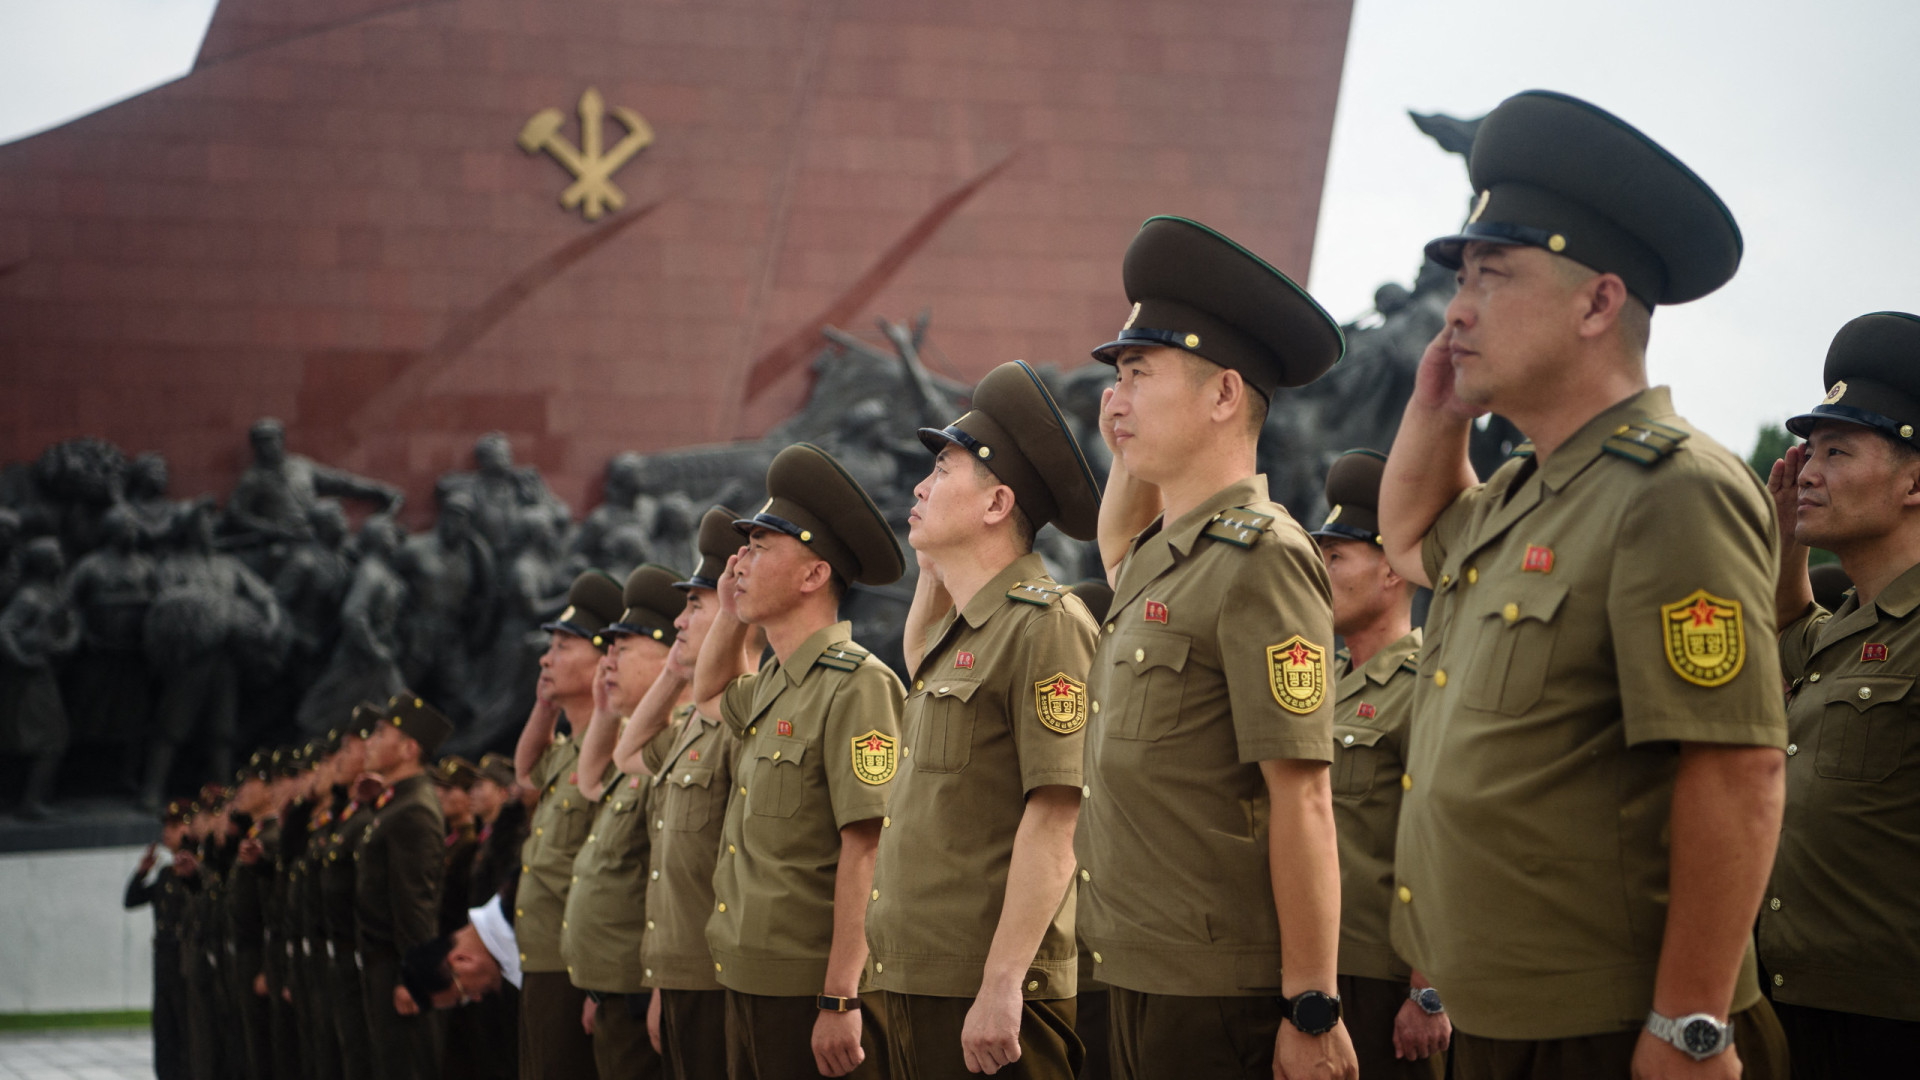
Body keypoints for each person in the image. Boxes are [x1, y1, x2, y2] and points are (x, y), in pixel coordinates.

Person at [1377, 90, 1789, 1079]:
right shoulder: (1531, 488)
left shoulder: (1672, 491)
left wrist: (1690, 1023)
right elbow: (1409, 541)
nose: (1457, 308)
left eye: (1494, 275)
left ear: (1599, 303)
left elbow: (1738, 770)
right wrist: (1438, 410)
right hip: (1497, 1014)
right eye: (1459, 278)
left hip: (1602, 1029)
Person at [1079, 215, 1354, 1079]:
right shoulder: (1165, 555)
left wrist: (1310, 1004)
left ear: (1225, 394)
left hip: (1207, 990)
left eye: (1137, 372)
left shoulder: (1260, 557)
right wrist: (1128, 427)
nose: (1113, 399)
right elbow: (1115, 541)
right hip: (1125, 967)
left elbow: (1302, 797)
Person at [863, 360, 1103, 1079]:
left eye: (942, 469)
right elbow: (919, 647)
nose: (919, 486)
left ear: (998, 504)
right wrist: (936, 559)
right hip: (913, 980)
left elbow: (1056, 817)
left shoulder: (1046, 626)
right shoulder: (964, 636)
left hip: (986, 995)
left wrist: (1002, 986)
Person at [692, 443, 907, 1079]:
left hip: (806, 985)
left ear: (814, 576)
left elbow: (865, 847)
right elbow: (708, 696)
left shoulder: (857, 684)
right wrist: (731, 617)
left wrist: (841, 993)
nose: (740, 564)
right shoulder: (777, 683)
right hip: (746, 973)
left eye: (760, 549)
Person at [1759, 311, 1920, 1077]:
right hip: (1787, 1002)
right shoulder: (1846, 626)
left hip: (1887, 1024)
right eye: (1809, 450)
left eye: (1838, 451)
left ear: (1915, 479)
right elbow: (1785, 631)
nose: (1808, 471)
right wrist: (1786, 537)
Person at [1307, 450, 1447, 1078]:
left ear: (1391, 571)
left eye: (1336, 557)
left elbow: (1444, 838)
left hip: (1383, 981)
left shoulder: (1426, 686)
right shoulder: (1316, 680)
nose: (1320, 571)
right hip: (1311, 969)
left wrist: (1427, 988)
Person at [608, 506, 747, 1080]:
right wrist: (672, 671)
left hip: (723, 975)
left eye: (695, 605)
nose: (680, 622)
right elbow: (627, 752)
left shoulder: (745, 711)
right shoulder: (696, 720)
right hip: (683, 973)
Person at [565, 564, 688, 1080]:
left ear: (669, 658)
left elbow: (673, 883)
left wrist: (657, 986)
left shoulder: (674, 745)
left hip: (645, 990)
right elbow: (591, 782)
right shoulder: (633, 752)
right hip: (616, 986)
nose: (606, 663)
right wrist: (604, 711)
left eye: (623, 649)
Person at [513, 570, 626, 1080]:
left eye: (562, 646)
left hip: (575, 967)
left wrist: (596, 985)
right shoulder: (566, 753)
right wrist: (542, 706)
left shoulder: (614, 752)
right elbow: (524, 770)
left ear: (605, 658)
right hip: (540, 960)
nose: (545, 658)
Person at [356, 693, 455, 1080]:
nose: (370, 742)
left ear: (409, 748)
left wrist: (412, 979)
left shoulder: (414, 809)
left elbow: (417, 905)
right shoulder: (397, 803)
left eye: (381, 734)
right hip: (381, 963)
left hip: (396, 967)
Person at [126, 801, 196, 1080]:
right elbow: (131, 900)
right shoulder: (167, 873)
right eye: (165, 826)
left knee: (185, 1028)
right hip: (164, 959)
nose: (167, 832)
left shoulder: (194, 872)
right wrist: (142, 872)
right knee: (164, 1028)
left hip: (184, 958)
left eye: (175, 826)